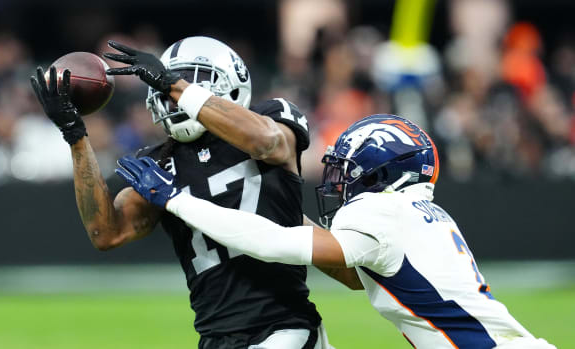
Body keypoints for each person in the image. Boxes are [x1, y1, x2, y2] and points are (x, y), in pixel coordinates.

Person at [115, 114, 556, 349]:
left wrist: (177, 200)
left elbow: (272, 244)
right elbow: (346, 271)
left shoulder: (380, 212)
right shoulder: (419, 212)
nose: (341, 182)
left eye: (350, 170)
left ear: (382, 171)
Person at [31, 36, 331, 348]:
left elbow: (265, 141)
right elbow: (107, 233)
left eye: (190, 83)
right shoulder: (158, 162)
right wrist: (75, 135)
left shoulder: (272, 117)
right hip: (215, 336)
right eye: (164, 86)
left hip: (283, 329)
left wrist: (172, 82)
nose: (172, 96)